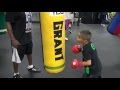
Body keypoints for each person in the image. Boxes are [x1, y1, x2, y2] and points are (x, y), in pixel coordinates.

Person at [6, 12, 41, 78]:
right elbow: (8, 23)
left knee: (29, 51)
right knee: (16, 56)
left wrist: (30, 35)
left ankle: (30, 66)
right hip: (18, 38)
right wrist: (13, 39)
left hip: (28, 36)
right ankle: (16, 74)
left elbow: (28, 21)